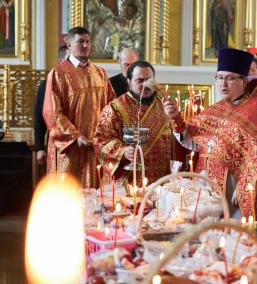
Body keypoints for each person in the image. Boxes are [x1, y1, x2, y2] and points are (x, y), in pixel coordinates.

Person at [163, 48, 257, 235]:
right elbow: (194, 140)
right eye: (219, 77)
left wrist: (244, 186)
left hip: (233, 193)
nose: (223, 84)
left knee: (233, 240)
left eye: (230, 78)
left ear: (244, 81)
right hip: (208, 187)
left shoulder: (255, 114)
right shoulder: (215, 110)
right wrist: (176, 117)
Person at [43, 27, 115, 188]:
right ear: (69, 44)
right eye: (80, 41)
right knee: (68, 194)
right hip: (69, 149)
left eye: (88, 41)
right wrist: (75, 136)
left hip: (95, 147)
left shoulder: (100, 73)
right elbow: (52, 112)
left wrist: (105, 134)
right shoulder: (58, 73)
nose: (85, 45)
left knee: (95, 195)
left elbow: (111, 107)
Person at [94, 61, 173, 187]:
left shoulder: (163, 106)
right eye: (140, 80)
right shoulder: (115, 108)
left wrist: (176, 118)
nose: (146, 84)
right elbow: (101, 141)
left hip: (159, 182)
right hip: (126, 183)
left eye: (149, 79)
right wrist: (123, 151)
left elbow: (177, 139)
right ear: (129, 81)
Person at [34, 45, 69, 168]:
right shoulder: (47, 85)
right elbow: (39, 117)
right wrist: (39, 147)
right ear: (61, 61)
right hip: (57, 144)